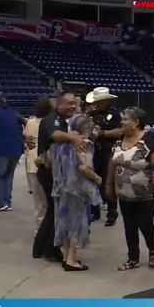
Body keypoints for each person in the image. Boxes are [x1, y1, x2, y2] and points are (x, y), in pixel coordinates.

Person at [107, 107, 154, 271]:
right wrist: (109, 184)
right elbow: (113, 162)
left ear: (136, 123)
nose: (121, 122)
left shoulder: (149, 139)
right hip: (124, 194)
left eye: (125, 119)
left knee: (145, 223)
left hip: (147, 193)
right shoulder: (120, 140)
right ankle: (133, 258)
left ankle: (153, 251)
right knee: (129, 225)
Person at [32, 91, 84, 262]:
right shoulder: (51, 119)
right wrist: (73, 138)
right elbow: (54, 135)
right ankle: (50, 249)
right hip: (49, 173)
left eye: (74, 104)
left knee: (52, 212)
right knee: (56, 213)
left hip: (57, 172)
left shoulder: (63, 120)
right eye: (69, 103)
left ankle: (40, 247)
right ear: (59, 104)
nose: (73, 106)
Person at [51, 114, 102, 271]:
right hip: (77, 189)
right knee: (77, 223)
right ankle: (72, 259)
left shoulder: (61, 144)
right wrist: (98, 178)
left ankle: (67, 256)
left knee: (64, 222)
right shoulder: (85, 144)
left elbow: (45, 160)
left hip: (61, 187)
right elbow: (84, 167)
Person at [86, 87, 122, 226]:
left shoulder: (115, 114)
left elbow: (120, 132)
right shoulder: (91, 115)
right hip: (93, 151)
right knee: (93, 181)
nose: (97, 104)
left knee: (109, 182)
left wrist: (103, 134)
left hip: (109, 151)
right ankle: (94, 210)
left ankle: (112, 213)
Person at [24, 97, 52, 229]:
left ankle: (40, 228)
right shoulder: (51, 122)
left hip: (32, 163)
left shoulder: (30, 122)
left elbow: (27, 138)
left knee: (38, 201)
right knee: (49, 201)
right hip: (47, 162)